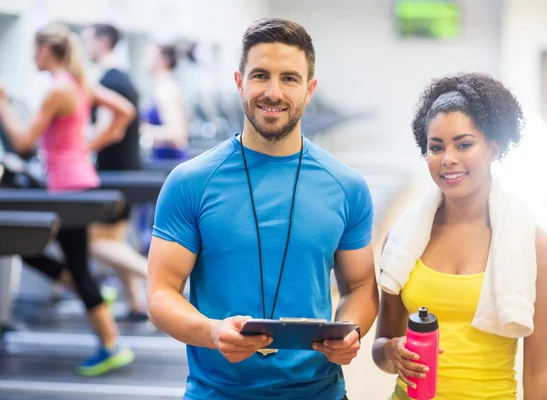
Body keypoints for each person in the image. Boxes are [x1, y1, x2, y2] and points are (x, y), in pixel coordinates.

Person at [147, 18, 378, 400]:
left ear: (309, 89)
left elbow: (361, 286)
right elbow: (160, 293)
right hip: (216, 392)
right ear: (239, 82)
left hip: (318, 392)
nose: (273, 92)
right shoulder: (190, 181)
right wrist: (211, 332)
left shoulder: (346, 186)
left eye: (289, 78)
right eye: (260, 76)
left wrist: (350, 330)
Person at [372, 73, 547, 399]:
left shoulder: (535, 247)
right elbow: (381, 348)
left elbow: (540, 371)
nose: (448, 158)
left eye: (464, 144)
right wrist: (390, 352)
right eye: (436, 147)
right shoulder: (403, 240)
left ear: (493, 147)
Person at [0, 23, 136, 375]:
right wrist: (90, 143)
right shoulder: (78, 84)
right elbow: (125, 111)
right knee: (31, 251)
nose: (32, 56)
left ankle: (111, 344)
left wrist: (2, 104)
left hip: (68, 188)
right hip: (73, 184)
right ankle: (86, 291)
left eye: (34, 49)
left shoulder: (58, 90)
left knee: (74, 266)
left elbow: (23, 141)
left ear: (47, 50)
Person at [81, 22, 149, 322]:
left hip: (113, 174)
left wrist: (81, 147)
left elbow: (108, 130)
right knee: (115, 241)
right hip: (123, 170)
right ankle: (137, 304)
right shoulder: (123, 78)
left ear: (103, 42)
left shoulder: (110, 81)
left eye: (87, 41)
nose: (85, 48)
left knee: (96, 243)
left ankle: (161, 279)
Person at [140, 41, 190, 160]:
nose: (144, 59)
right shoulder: (161, 86)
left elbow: (177, 133)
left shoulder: (166, 89)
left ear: (164, 60)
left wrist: (143, 131)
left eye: (149, 55)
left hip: (170, 163)